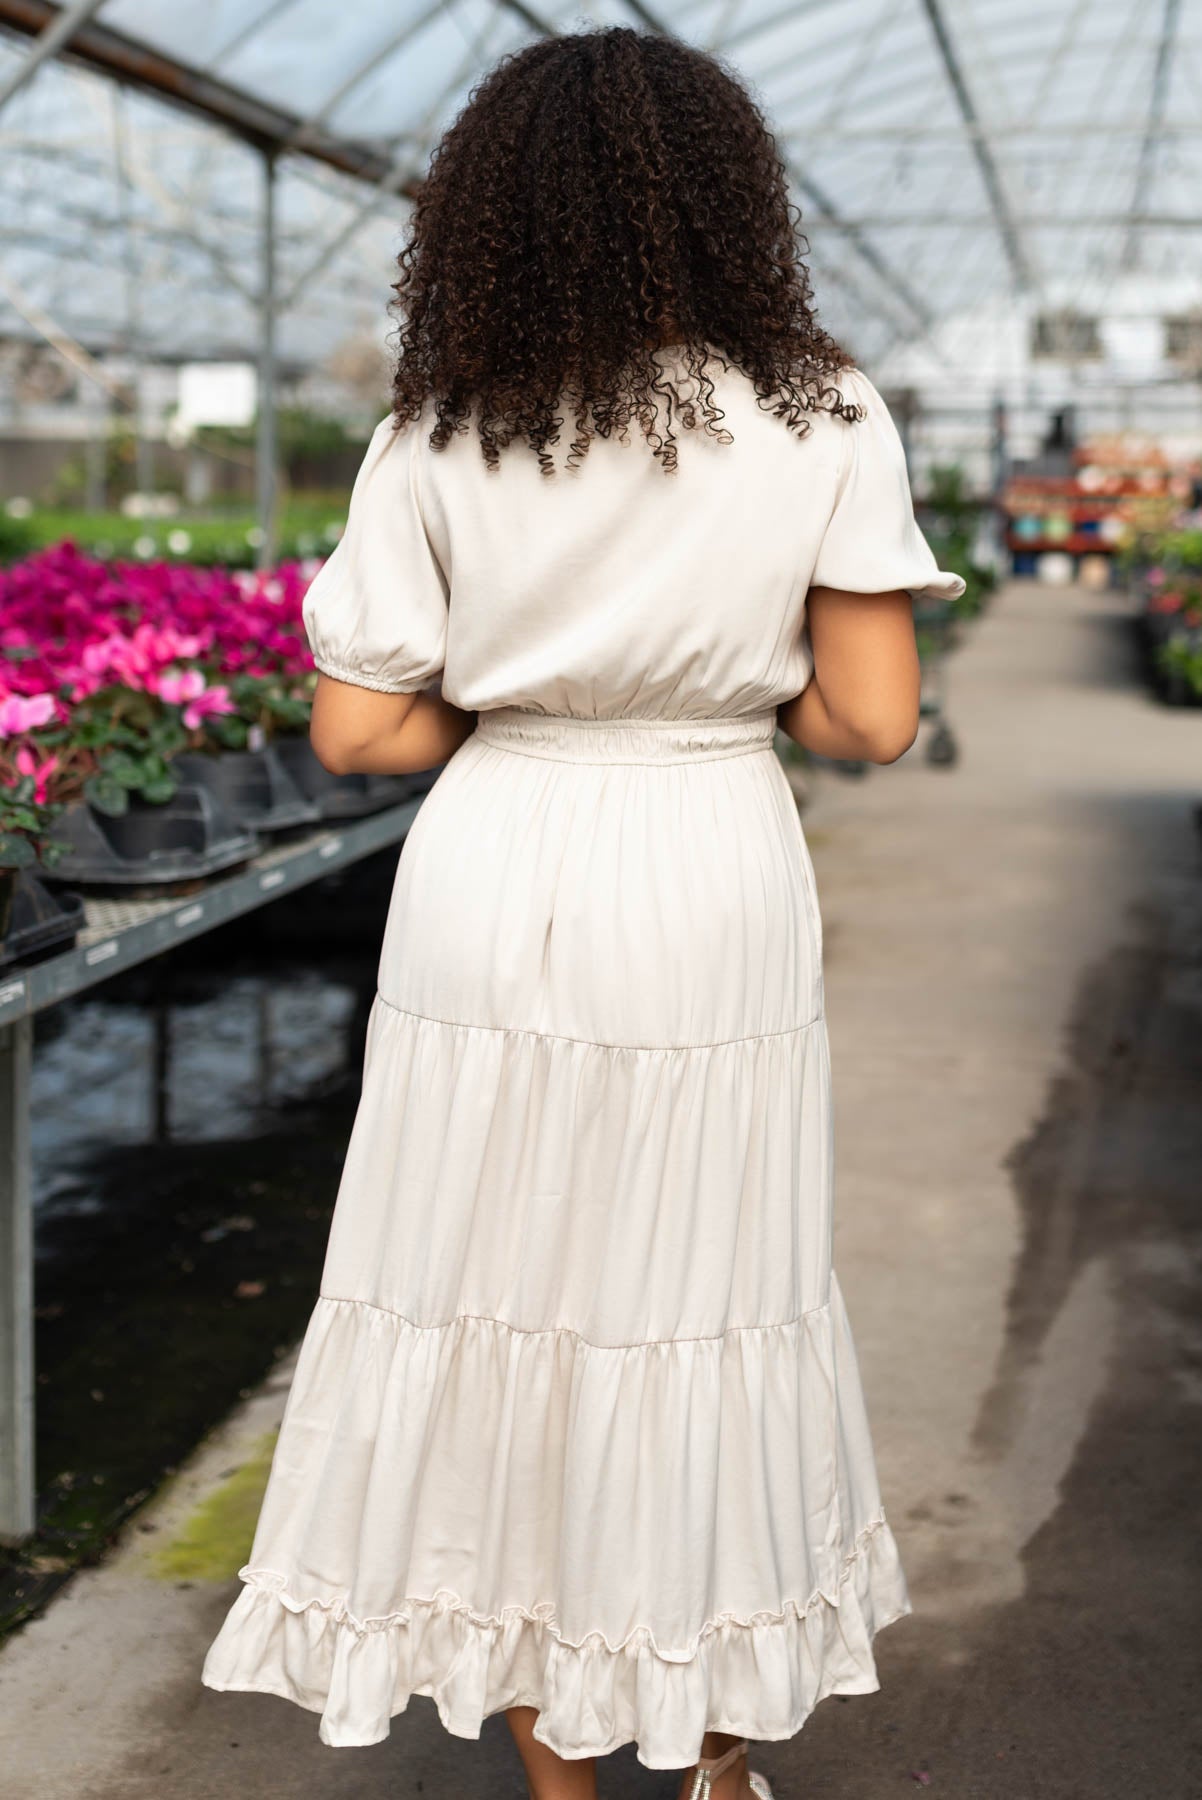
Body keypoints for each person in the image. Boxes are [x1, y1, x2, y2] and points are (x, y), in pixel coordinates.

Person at [202, 26, 964, 1800]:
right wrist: (709, 684)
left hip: (501, 861)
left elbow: (362, 725)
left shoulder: (440, 426)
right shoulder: (820, 411)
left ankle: (556, 1780)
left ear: (484, 213)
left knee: (495, 1292)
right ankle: (705, 1755)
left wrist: (537, 693)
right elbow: (867, 718)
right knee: (695, 1300)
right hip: (705, 863)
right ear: (727, 206)